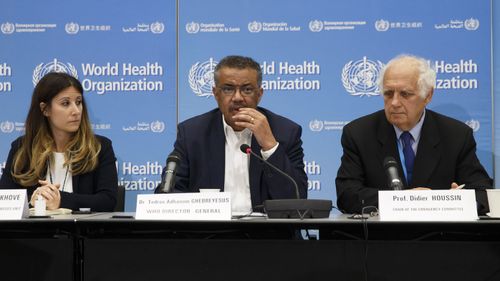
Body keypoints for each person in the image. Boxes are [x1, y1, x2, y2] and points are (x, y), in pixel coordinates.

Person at [336, 54, 491, 214]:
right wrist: (403, 200)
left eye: (405, 94)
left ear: (428, 95)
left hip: (439, 235)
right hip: (382, 235)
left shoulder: (456, 135)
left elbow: (483, 194)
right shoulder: (359, 133)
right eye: (388, 93)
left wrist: (453, 199)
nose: (394, 102)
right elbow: (346, 195)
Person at [159, 55, 307, 214]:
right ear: (216, 94)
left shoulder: (285, 132)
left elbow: (297, 201)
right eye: (228, 89)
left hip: (267, 234)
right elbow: (168, 195)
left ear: (260, 94)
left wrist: (270, 146)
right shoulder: (192, 134)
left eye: (247, 89)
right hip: (210, 234)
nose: (237, 98)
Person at [0, 72, 117, 211]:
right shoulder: (22, 148)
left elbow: (108, 201)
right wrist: (34, 199)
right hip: (35, 232)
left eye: (78, 102)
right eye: (65, 103)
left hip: (83, 232)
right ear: (45, 109)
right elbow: (5, 201)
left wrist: (61, 199)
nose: (76, 111)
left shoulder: (99, 147)